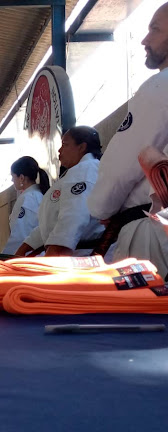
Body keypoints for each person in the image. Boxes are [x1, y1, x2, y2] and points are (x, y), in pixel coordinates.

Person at [87, 2, 168, 249]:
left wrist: (102, 207)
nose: (145, 40)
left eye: (155, 29)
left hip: (153, 229)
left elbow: (122, 165)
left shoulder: (159, 87)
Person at [16, 126, 105, 257]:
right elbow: (50, 224)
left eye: (65, 144)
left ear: (81, 147)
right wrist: (24, 248)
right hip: (74, 254)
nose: (59, 150)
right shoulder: (77, 172)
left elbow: (73, 217)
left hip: (80, 256)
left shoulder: (85, 170)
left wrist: (55, 253)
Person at [2, 156, 50, 254]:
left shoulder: (28, 199)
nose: (12, 180)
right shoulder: (39, 195)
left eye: (13, 176)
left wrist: (8, 257)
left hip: (28, 255)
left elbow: (21, 233)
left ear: (21, 178)